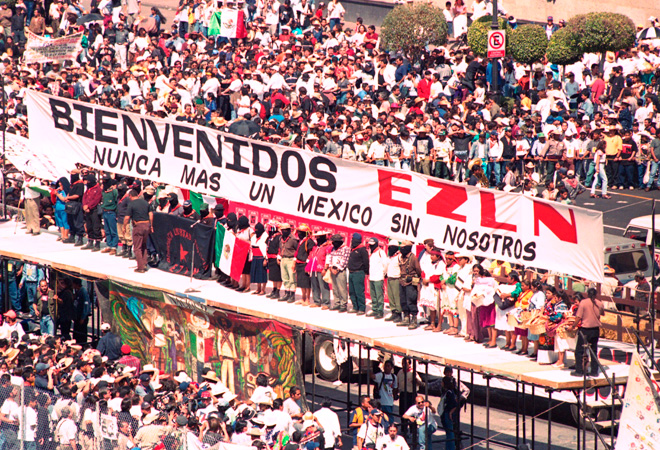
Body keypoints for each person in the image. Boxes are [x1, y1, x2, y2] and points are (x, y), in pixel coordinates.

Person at [571, 288, 604, 377]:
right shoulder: (599, 303)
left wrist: (573, 326)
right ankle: (594, 371)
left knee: (579, 351)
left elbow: (578, 317)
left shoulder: (584, 303)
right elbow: (602, 313)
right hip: (595, 329)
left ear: (587, 294)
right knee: (593, 351)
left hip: (585, 329)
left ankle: (579, 371)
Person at [124, 188, 153, 273]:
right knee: (144, 245)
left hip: (138, 226)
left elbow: (127, 218)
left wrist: (124, 227)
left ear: (130, 196)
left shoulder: (131, 204)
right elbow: (151, 215)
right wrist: (151, 226)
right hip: (147, 225)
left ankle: (140, 268)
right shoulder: (145, 203)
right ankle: (144, 264)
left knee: (137, 247)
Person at [397, 240, 422, 329]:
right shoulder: (401, 257)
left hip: (410, 282)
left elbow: (418, 270)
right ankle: (406, 317)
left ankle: (414, 319)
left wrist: (413, 277)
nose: (401, 249)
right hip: (402, 281)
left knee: (411, 300)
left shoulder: (413, 258)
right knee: (403, 300)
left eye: (403, 248)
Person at [327, 234, 350, 312]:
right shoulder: (333, 248)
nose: (333, 243)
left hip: (340, 271)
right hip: (332, 270)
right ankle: (337, 303)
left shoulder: (346, 249)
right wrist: (330, 267)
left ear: (339, 241)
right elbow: (330, 258)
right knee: (335, 288)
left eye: (334, 242)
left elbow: (345, 260)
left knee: (342, 288)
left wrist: (337, 269)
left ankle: (343, 304)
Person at [347, 233, 369, 315]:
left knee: (359, 291)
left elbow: (366, 262)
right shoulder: (352, 249)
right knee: (352, 291)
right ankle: (355, 307)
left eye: (353, 239)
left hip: (358, 273)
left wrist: (366, 272)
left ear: (357, 240)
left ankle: (362, 308)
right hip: (351, 273)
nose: (352, 240)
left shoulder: (362, 250)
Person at [367, 238, 387, 318]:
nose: (371, 245)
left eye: (372, 244)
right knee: (373, 295)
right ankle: (374, 309)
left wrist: (383, 273)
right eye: (370, 244)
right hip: (371, 277)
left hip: (378, 277)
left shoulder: (381, 252)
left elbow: (385, 264)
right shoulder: (370, 252)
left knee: (379, 295)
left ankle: (380, 311)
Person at [278, 223, 299, 302]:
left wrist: (294, 261)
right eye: (282, 230)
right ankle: (286, 293)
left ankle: (292, 295)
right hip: (283, 259)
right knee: (285, 278)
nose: (284, 231)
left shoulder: (293, 239)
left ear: (289, 230)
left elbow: (297, 250)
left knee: (292, 278)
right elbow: (280, 248)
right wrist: (279, 257)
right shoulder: (281, 238)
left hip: (290, 260)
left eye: (285, 230)